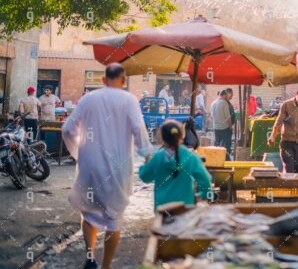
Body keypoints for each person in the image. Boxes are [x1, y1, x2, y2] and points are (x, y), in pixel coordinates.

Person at [61, 63, 154, 269]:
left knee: (89, 213)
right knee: (114, 218)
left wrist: (79, 153)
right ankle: (106, 266)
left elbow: (67, 129)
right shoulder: (129, 100)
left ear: (103, 80)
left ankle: (90, 258)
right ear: (123, 80)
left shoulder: (88, 99)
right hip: (117, 169)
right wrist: (147, 155)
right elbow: (139, 130)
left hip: (89, 167)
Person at [139, 120, 212, 211]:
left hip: (162, 208)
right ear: (182, 136)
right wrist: (203, 195)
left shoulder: (158, 157)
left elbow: (145, 177)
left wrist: (145, 164)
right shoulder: (191, 157)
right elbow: (205, 180)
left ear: (162, 138)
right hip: (185, 206)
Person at [268, 85, 298, 174]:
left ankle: (297, 187)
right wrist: (272, 136)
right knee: (289, 169)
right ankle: (288, 186)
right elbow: (278, 123)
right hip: (287, 142)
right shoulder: (286, 105)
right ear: (297, 93)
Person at [211, 90, 233, 160]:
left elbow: (212, 116)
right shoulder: (224, 103)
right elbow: (228, 117)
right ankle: (224, 159)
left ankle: (215, 158)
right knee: (224, 145)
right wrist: (230, 126)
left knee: (216, 144)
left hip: (216, 127)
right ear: (224, 95)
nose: (227, 97)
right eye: (227, 96)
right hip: (224, 127)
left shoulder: (213, 103)